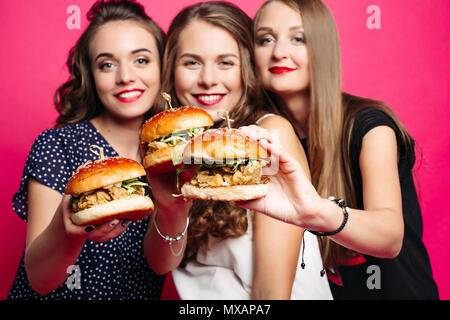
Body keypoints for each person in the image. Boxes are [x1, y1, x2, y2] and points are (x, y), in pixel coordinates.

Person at [237, 0, 439, 299]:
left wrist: (316, 212)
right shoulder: (261, 134)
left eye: (298, 38)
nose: (279, 52)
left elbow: (390, 237)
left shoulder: (371, 127)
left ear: (324, 48)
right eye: (266, 39)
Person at [143, 1, 332, 299]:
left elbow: (272, 292)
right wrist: (171, 210)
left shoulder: (268, 136)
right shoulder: (174, 150)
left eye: (226, 63)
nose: (208, 79)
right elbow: (160, 264)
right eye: (191, 62)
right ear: (172, 70)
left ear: (247, 69)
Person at [8, 0, 166, 299]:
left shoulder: (172, 158)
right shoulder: (58, 145)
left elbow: (161, 266)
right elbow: (40, 280)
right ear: (91, 76)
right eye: (107, 64)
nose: (126, 76)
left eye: (141, 60)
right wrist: (67, 231)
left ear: (163, 66)